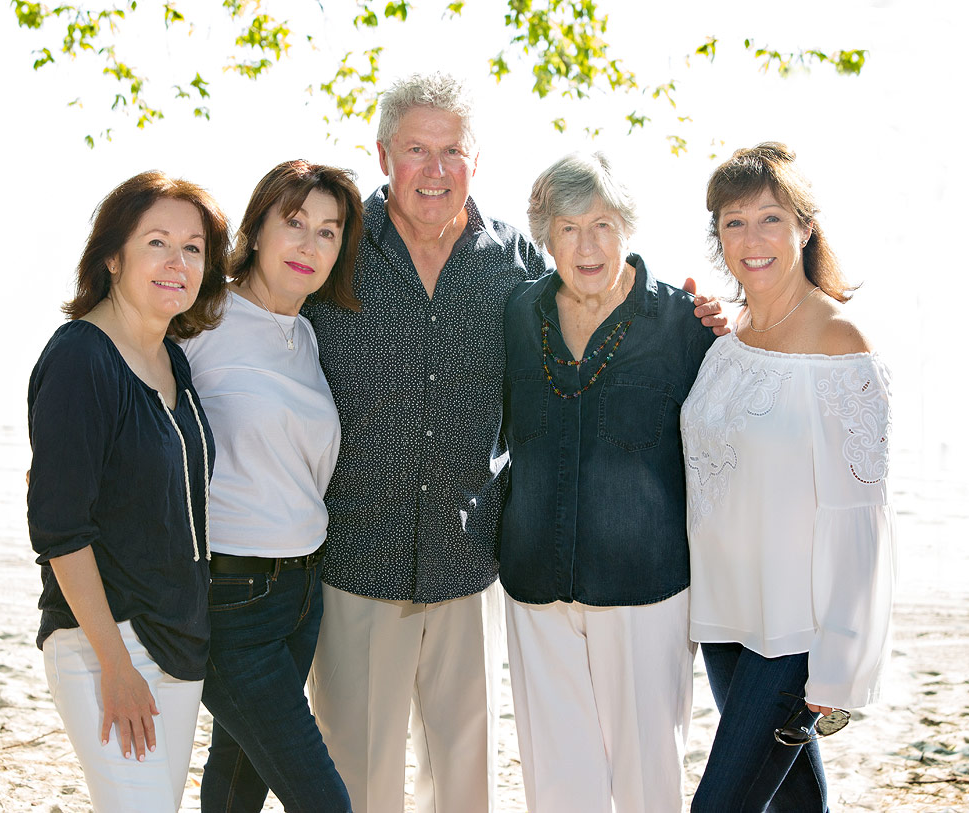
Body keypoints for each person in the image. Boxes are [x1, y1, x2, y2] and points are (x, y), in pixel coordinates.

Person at [304, 73, 727, 813]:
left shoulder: (514, 266)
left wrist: (703, 313)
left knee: (465, 785)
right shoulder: (335, 251)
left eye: (452, 151)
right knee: (359, 783)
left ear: (476, 160)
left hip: (468, 567)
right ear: (381, 157)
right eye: (416, 150)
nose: (435, 170)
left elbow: (598, 291)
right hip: (356, 560)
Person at [681, 142, 896, 812]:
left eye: (770, 218)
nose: (753, 239)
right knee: (795, 804)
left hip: (792, 630)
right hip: (724, 616)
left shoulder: (840, 343)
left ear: (804, 227)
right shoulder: (729, 333)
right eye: (734, 222)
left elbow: (859, 516)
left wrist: (839, 662)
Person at [498, 151, 716, 812]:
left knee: (650, 779)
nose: (587, 245)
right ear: (546, 236)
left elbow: (729, 445)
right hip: (536, 582)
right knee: (560, 784)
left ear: (626, 226)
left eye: (601, 224)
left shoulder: (683, 322)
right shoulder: (518, 313)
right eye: (567, 228)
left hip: (644, 587)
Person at [27, 171, 228, 812]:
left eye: (193, 248)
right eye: (157, 243)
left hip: (178, 641)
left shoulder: (175, 360)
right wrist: (116, 665)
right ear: (113, 256)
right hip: (105, 644)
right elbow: (60, 529)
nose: (178, 262)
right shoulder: (81, 359)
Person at [179, 159, 362, 813]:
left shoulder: (307, 335)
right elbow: (120, 389)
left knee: (236, 780)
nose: (309, 244)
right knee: (324, 800)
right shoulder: (202, 316)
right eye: (294, 223)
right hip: (230, 597)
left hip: (302, 592)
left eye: (328, 231)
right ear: (257, 229)